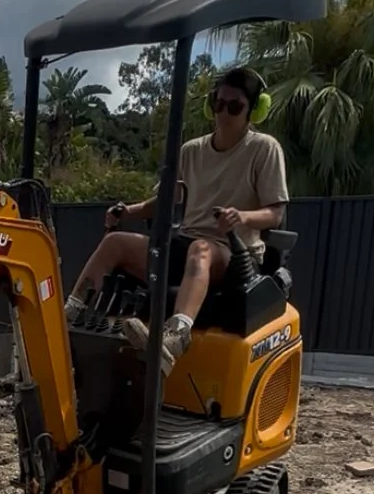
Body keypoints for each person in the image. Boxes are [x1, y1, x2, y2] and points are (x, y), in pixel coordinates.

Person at [63, 66, 288, 372]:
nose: (223, 113)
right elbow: (167, 200)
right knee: (115, 242)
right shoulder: (191, 151)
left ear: (254, 111)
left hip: (234, 255)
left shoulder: (264, 149)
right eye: (218, 103)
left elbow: (276, 213)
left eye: (234, 106)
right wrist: (129, 211)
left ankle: (175, 336)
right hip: (187, 246)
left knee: (202, 250)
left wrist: (242, 217)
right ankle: (68, 318)